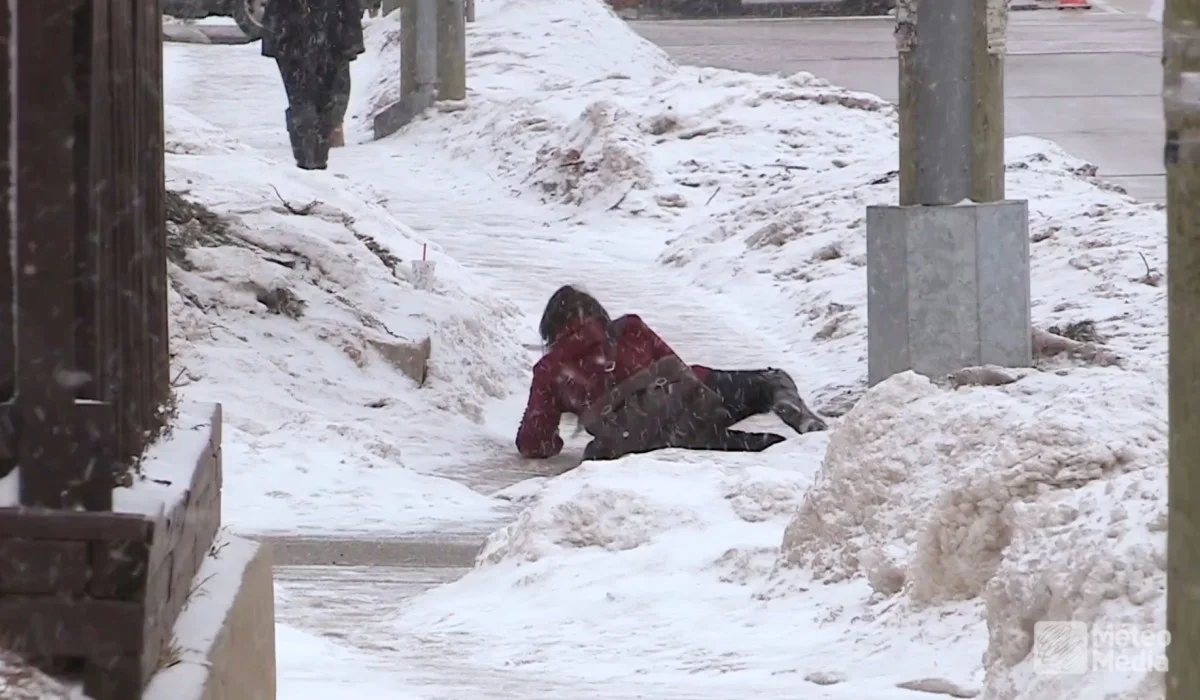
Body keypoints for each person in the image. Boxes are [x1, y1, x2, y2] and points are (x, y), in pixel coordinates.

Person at [515, 285, 828, 462]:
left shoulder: (550, 369)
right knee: (772, 380)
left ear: (550, 330)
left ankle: (752, 444)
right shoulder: (629, 328)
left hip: (635, 443)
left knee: (761, 447)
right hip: (692, 407)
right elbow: (676, 368)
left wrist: (560, 432)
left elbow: (533, 443)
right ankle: (798, 418)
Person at [261, 0, 365, 169]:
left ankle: (312, 154)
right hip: (301, 30)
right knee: (308, 99)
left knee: (320, 100)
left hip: (321, 30)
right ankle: (310, 155)